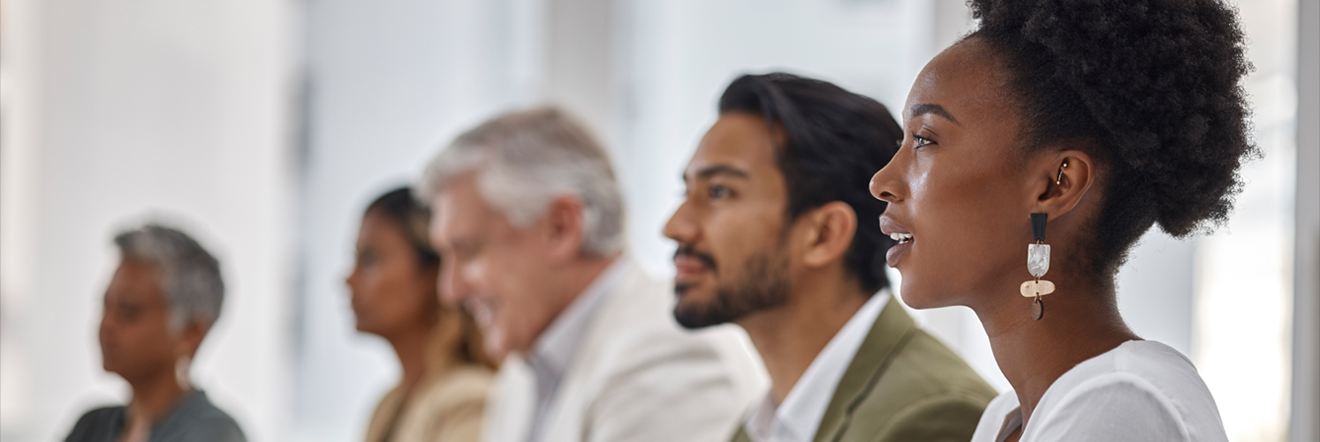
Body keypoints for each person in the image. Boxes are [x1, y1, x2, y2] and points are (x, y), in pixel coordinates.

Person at [867, 0, 1251, 440]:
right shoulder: (1006, 418)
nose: (881, 181)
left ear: (1056, 185)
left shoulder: (1121, 404)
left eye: (924, 139)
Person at [665, 73, 996, 442]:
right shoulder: (760, 427)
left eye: (718, 192)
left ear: (824, 234)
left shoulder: (930, 419)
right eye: (686, 191)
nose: (674, 227)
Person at [418, 107, 763, 442]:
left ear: (560, 227)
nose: (450, 290)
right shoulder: (523, 376)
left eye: (469, 251)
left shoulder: (667, 352)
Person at [66, 224, 246, 442]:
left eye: (129, 311)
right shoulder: (91, 427)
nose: (107, 324)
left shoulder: (215, 435)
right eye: (105, 306)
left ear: (191, 332)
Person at [347, 187, 498, 442]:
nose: (349, 280)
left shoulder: (467, 404)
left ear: (434, 275)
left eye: (370, 260)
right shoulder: (390, 406)